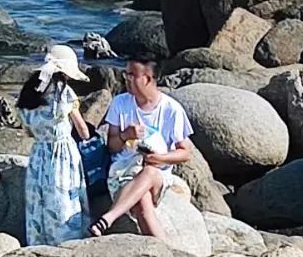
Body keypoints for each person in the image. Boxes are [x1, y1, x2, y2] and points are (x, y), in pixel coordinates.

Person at [89, 56, 193, 238]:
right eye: (126, 74)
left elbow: (184, 153)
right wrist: (124, 135)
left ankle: (109, 217)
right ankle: (165, 249)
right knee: (142, 202)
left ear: (147, 78)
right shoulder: (120, 103)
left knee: (150, 172)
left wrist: (160, 158)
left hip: (157, 175)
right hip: (123, 171)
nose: (126, 78)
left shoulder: (171, 109)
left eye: (131, 75)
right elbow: (112, 147)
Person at [17, 44, 93, 246]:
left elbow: (28, 130)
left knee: (38, 201)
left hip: (39, 153)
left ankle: (38, 244)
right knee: (63, 198)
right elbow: (83, 131)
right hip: (63, 152)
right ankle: (66, 243)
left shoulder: (29, 92)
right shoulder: (64, 93)